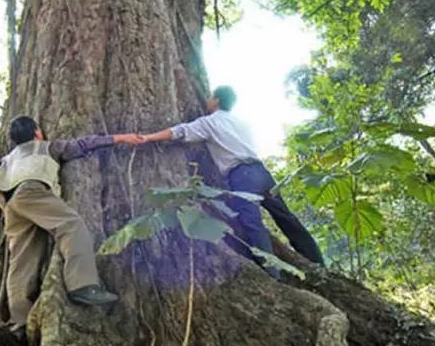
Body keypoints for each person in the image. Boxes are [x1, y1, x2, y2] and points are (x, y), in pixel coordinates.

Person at [138, 85, 324, 276]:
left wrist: (148, 137)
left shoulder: (210, 122)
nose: (207, 99)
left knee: (252, 224)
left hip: (242, 176)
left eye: (210, 96)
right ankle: (317, 263)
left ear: (217, 100)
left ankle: (273, 275)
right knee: (286, 218)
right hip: (263, 173)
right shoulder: (241, 123)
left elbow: (180, 131)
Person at [0, 115, 141, 330]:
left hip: (10, 204)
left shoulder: (8, 158)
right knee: (71, 225)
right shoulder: (46, 147)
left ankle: (19, 319)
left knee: (21, 259)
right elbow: (83, 145)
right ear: (37, 132)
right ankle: (82, 285)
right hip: (32, 191)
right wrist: (120, 137)